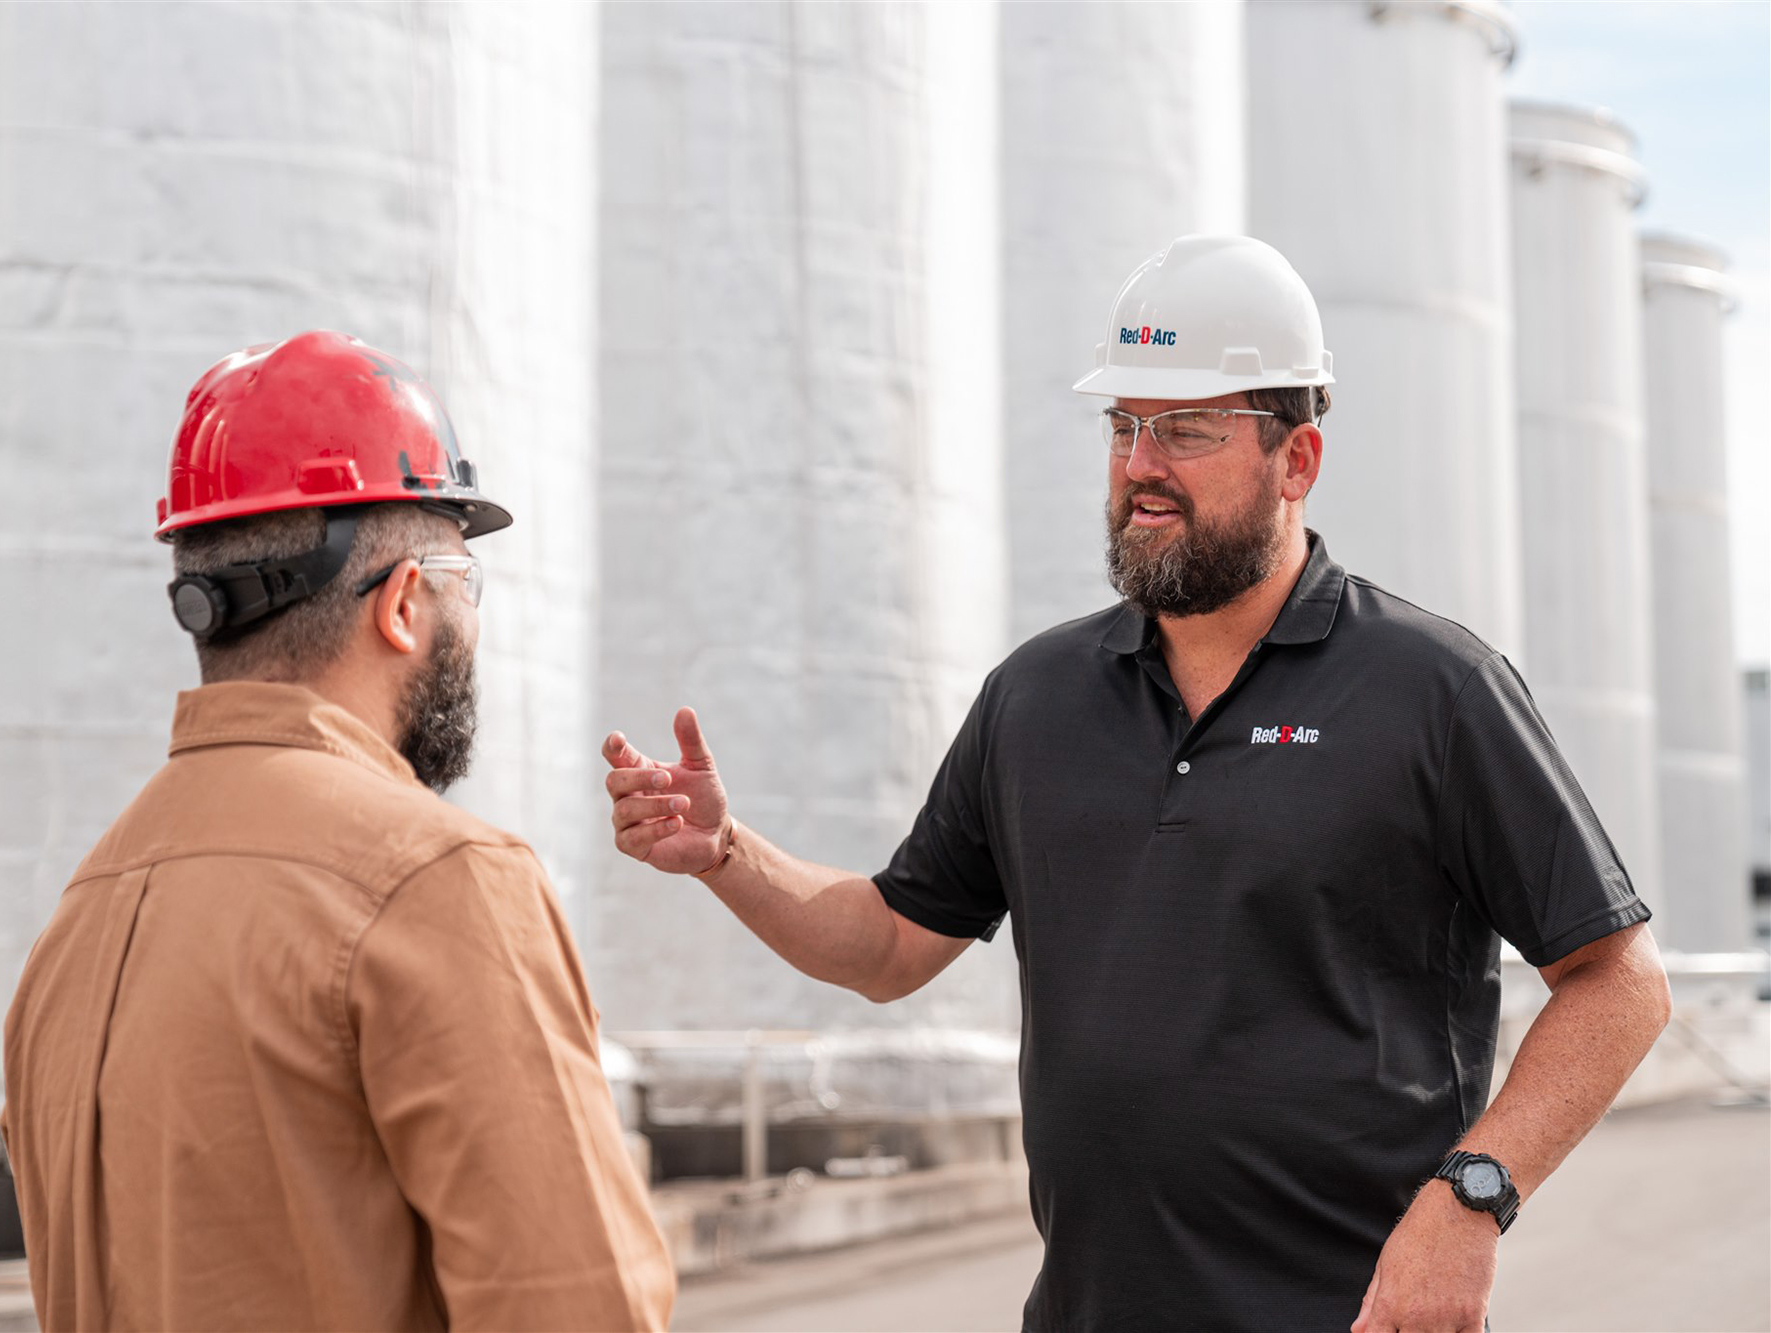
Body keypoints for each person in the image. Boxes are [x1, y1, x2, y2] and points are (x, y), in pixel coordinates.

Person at [601, 236, 1671, 1333]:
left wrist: (1469, 1199)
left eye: (1187, 429)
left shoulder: (1431, 690)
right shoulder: (1036, 697)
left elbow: (1618, 981)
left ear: (1296, 459)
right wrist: (727, 854)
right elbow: (888, 944)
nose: (1139, 466)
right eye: (1123, 427)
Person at [4, 331, 673, 1332]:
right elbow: (577, 1311)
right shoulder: (436, 881)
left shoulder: (81, 918)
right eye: (462, 582)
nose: (470, 621)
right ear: (402, 604)